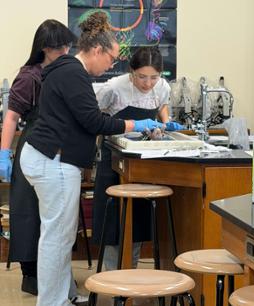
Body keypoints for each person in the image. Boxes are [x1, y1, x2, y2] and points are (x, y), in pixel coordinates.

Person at [18, 11, 164, 306]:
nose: (111, 65)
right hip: (54, 162)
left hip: (49, 159)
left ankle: (62, 296)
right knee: (57, 238)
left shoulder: (67, 70)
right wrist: (137, 125)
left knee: (59, 235)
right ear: (97, 50)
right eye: (111, 58)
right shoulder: (74, 73)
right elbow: (94, 122)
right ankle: (51, 302)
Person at [0, 19, 87, 303]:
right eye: (60, 47)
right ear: (45, 48)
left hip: (54, 149)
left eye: (67, 46)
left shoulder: (60, 70)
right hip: (37, 148)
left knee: (56, 228)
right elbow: (12, 116)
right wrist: (4, 153)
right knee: (35, 223)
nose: (66, 51)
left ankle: (62, 291)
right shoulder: (30, 76)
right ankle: (40, 284)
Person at [92, 46, 182, 270]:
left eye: (154, 77)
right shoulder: (113, 88)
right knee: (114, 221)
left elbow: (161, 106)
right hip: (113, 159)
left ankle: (131, 273)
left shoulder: (161, 87)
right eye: (142, 77)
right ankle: (112, 277)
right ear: (131, 71)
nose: (148, 83)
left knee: (138, 219)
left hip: (142, 161)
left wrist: (165, 122)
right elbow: (94, 118)